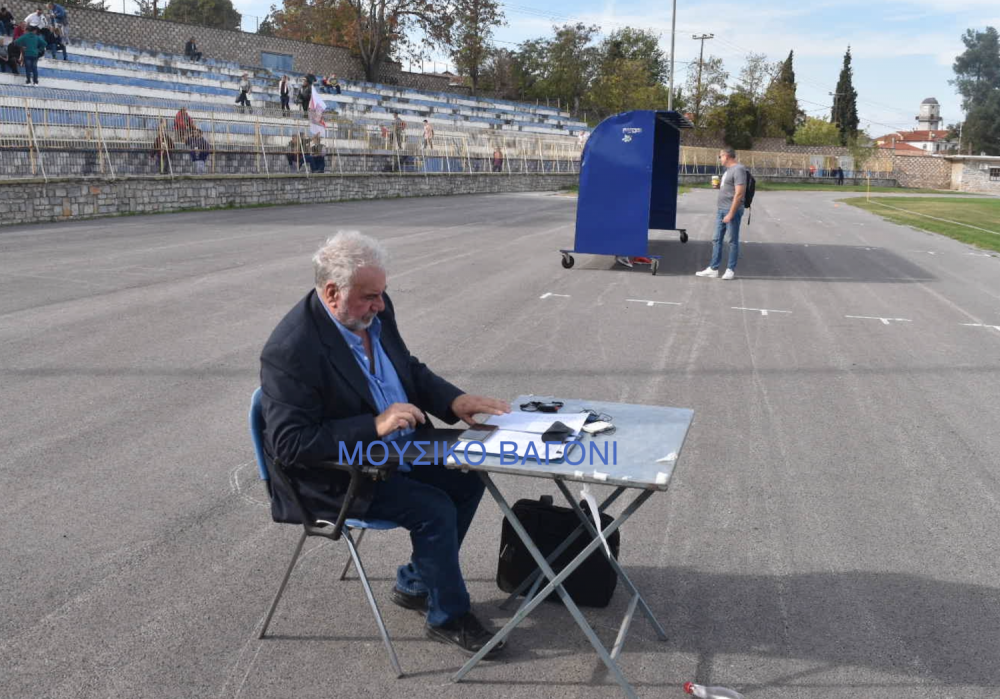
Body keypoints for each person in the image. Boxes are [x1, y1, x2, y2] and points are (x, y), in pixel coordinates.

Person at [259, 231, 511, 657]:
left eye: (382, 294)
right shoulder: (290, 350)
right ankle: (447, 616)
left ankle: (416, 581)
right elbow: (290, 444)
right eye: (369, 297)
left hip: (397, 449)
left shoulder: (373, 309)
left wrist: (453, 399)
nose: (379, 306)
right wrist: (374, 425)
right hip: (338, 473)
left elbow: (406, 367)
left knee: (468, 479)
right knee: (433, 508)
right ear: (332, 291)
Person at [695, 146, 747, 281]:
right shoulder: (728, 171)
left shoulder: (739, 169)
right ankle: (713, 268)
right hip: (721, 210)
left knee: (732, 240)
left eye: (720, 156)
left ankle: (730, 270)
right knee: (717, 239)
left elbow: (739, 193)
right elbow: (729, 188)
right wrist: (718, 186)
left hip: (731, 210)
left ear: (727, 156)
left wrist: (731, 213)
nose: (720, 159)